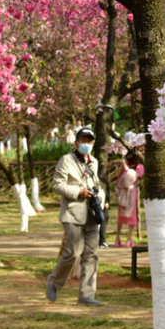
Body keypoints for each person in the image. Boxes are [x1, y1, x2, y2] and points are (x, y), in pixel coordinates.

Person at [46, 126, 105, 306]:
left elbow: (96, 184)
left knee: (92, 254)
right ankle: (55, 281)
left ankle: (86, 294)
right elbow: (57, 185)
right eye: (83, 140)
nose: (86, 143)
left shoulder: (93, 161)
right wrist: (77, 192)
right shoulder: (66, 160)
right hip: (73, 212)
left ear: (93, 143)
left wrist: (100, 195)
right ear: (76, 142)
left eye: (89, 141)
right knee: (72, 252)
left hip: (92, 214)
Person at [114, 150, 143, 248]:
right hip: (124, 192)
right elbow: (119, 176)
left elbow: (136, 177)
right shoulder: (124, 164)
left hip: (131, 192)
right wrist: (122, 167)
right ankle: (117, 238)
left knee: (132, 215)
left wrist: (127, 169)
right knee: (121, 215)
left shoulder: (139, 167)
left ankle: (128, 239)